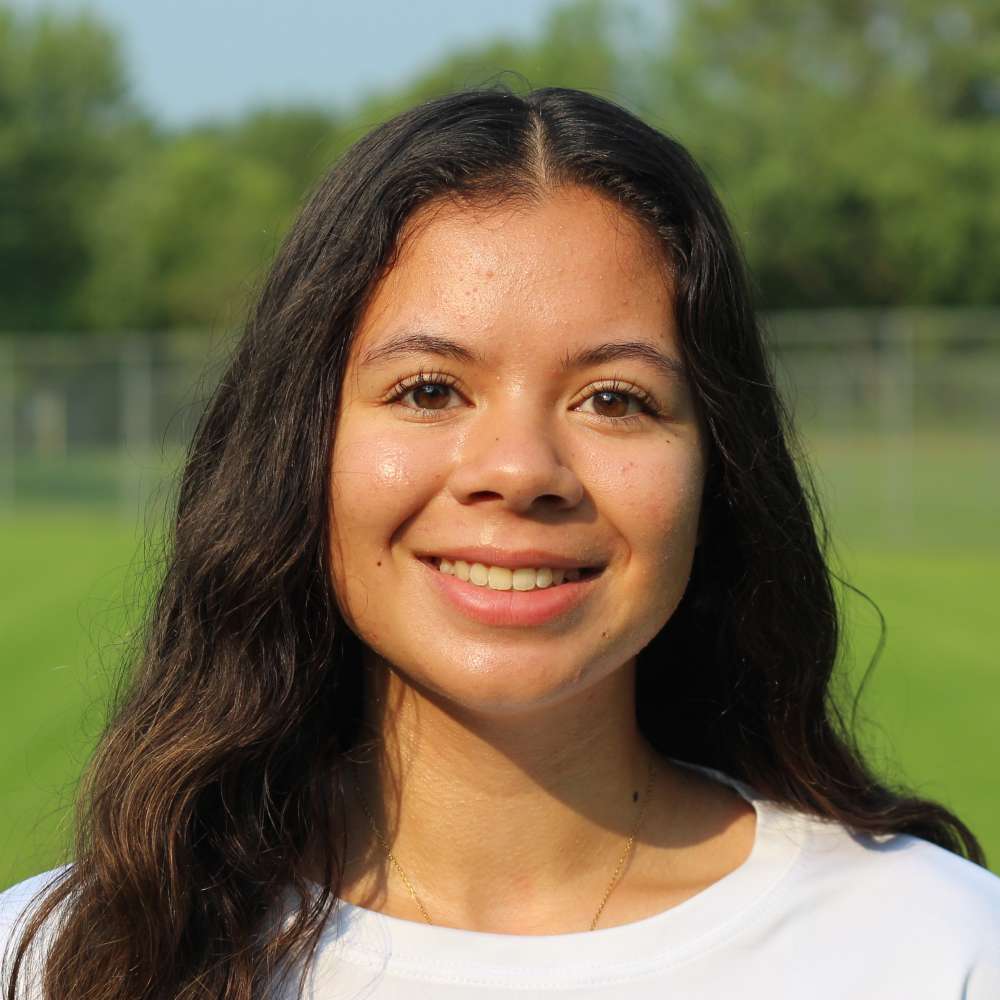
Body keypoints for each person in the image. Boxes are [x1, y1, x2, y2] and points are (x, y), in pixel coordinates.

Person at [2, 86, 998, 999]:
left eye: (614, 399)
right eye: (429, 389)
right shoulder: (65, 962)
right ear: (300, 446)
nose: (520, 469)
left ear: (719, 469)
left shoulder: (936, 947)